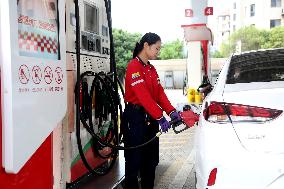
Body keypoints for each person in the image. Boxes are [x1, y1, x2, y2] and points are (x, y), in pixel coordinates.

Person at [122, 32, 181, 189]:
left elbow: (159, 93)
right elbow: (143, 95)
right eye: (156, 48)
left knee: (151, 161)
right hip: (135, 118)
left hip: (150, 119)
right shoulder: (133, 66)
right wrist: (160, 117)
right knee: (134, 161)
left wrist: (171, 111)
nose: (158, 52)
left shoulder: (151, 69)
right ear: (146, 46)